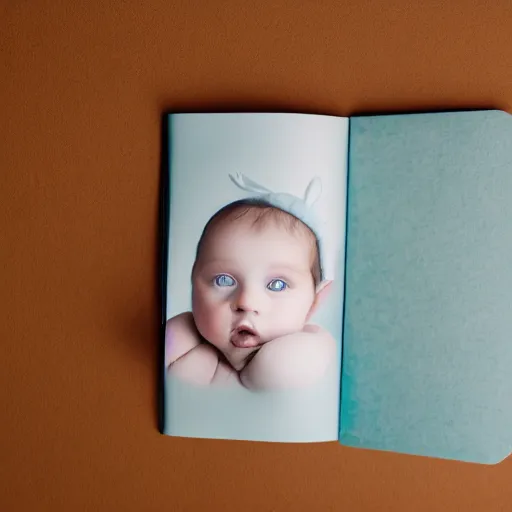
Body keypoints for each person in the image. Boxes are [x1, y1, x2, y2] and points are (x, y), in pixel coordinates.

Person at [165, 173, 336, 390]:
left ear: (315, 302)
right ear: (193, 283)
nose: (247, 301)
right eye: (223, 280)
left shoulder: (311, 347)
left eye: (277, 284)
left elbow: (280, 372)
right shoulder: (185, 338)